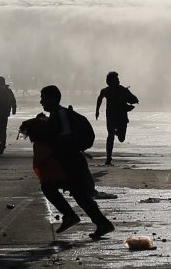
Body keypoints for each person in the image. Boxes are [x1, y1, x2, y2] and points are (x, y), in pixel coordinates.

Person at [36, 85, 115, 239]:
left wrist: (43, 131)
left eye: (43, 98)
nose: (41, 102)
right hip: (68, 162)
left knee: (51, 187)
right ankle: (102, 224)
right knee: (80, 195)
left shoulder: (61, 114)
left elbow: (66, 137)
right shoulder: (57, 115)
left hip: (71, 162)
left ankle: (72, 216)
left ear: (53, 99)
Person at [95, 71, 139, 166]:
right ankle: (108, 159)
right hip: (110, 116)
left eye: (118, 79)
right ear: (110, 81)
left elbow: (134, 98)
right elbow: (100, 98)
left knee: (121, 138)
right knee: (110, 135)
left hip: (122, 116)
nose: (119, 80)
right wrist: (97, 110)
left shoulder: (123, 90)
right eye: (116, 79)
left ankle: (117, 132)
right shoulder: (106, 91)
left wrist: (133, 100)